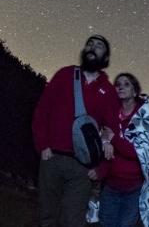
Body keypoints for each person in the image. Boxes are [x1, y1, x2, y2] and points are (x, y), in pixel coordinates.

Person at [32, 35, 120, 227]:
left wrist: (102, 169)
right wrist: (43, 145)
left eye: (98, 46)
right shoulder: (65, 75)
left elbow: (112, 131)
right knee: (46, 218)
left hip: (83, 168)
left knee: (72, 221)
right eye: (89, 44)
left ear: (105, 57)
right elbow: (42, 110)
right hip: (52, 158)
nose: (92, 48)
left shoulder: (109, 91)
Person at [96, 73, 149, 227]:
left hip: (133, 187)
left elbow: (139, 152)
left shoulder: (144, 116)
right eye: (118, 84)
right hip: (110, 184)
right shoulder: (111, 113)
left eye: (126, 84)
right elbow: (102, 135)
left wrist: (113, 139)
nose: (121, 87)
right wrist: (105, 139)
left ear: (135, 91)